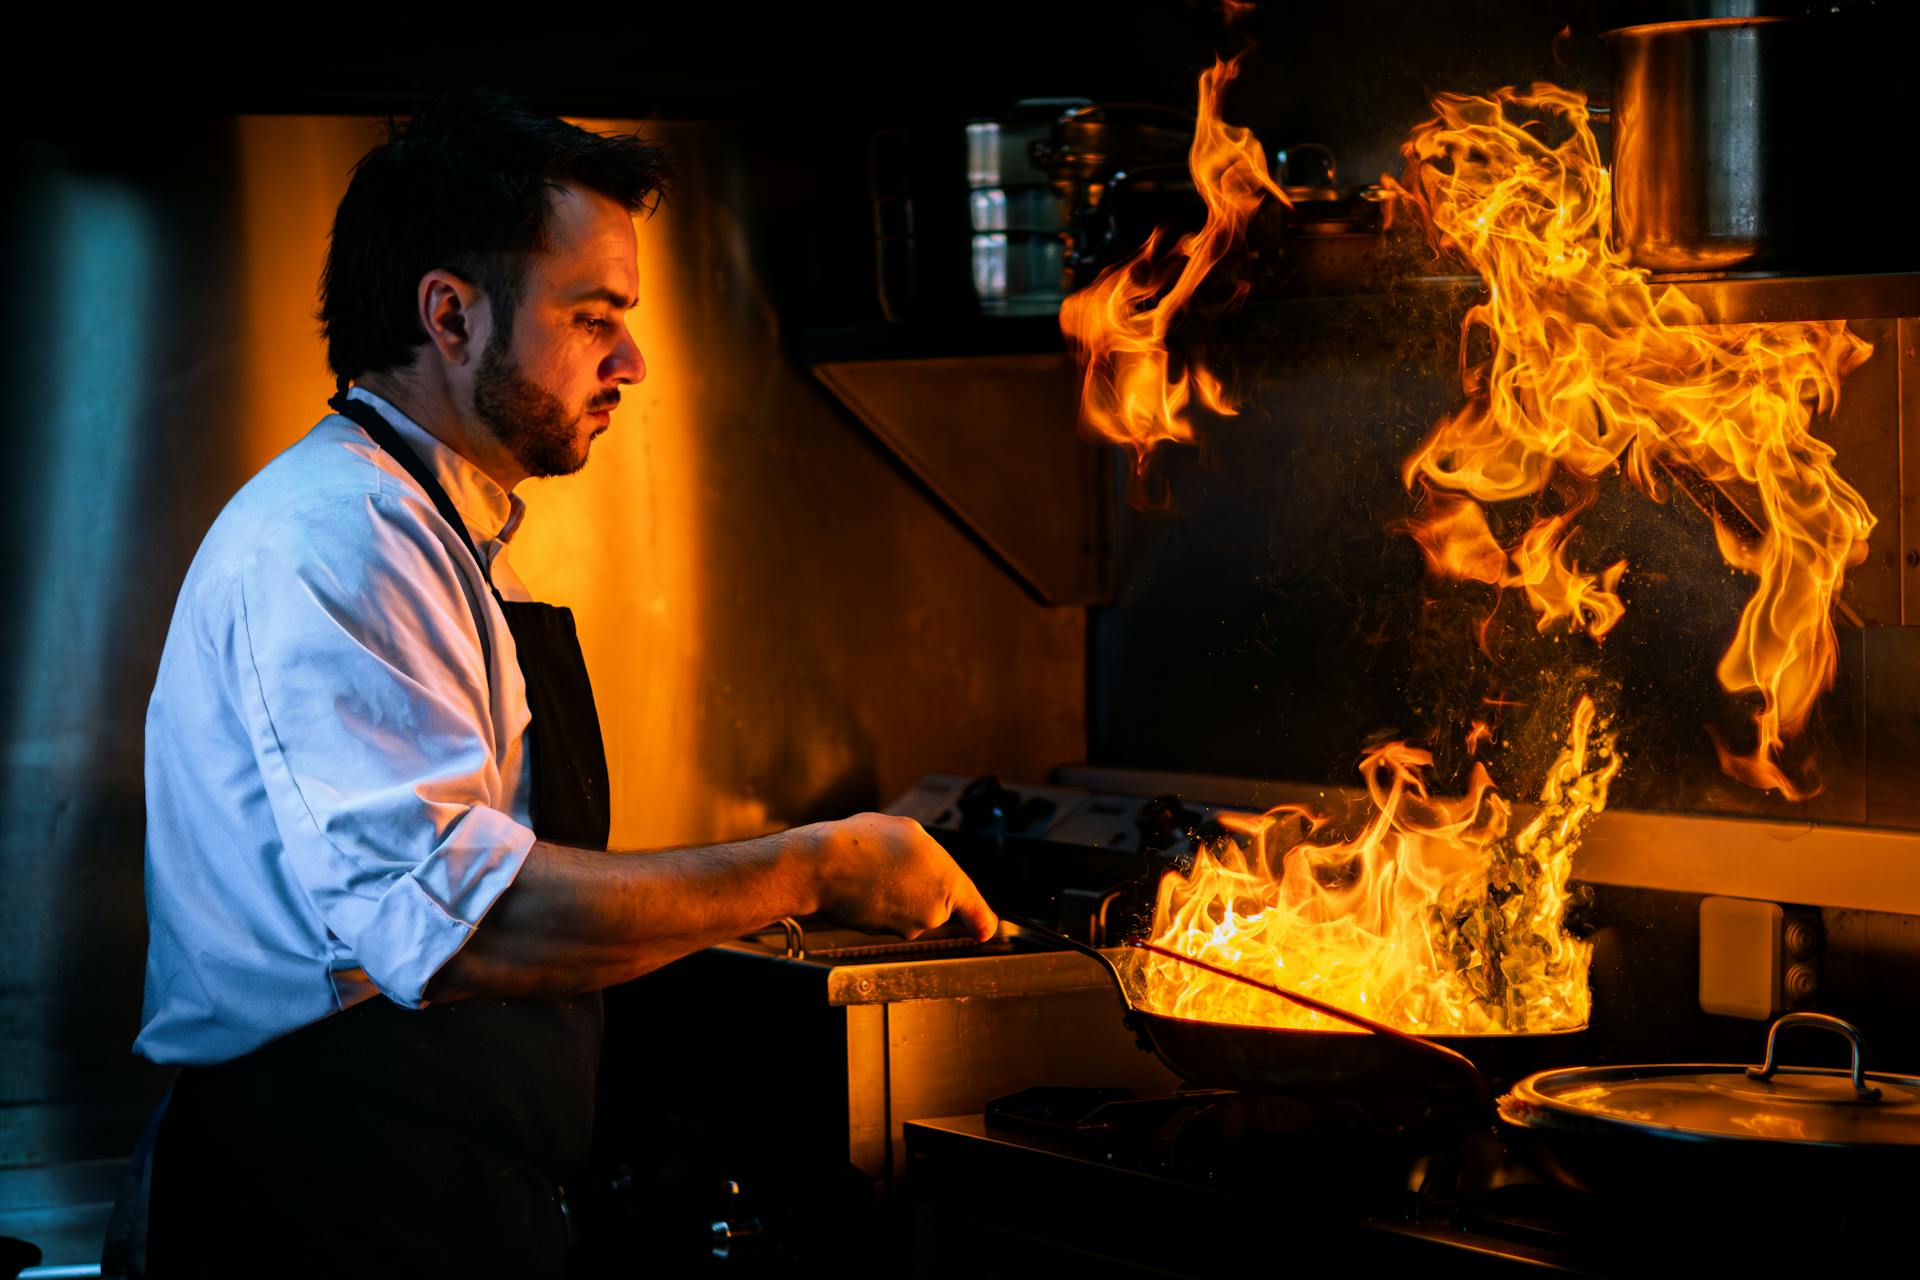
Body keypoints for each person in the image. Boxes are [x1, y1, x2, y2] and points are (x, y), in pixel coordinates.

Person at [123, 94, 994, 1277]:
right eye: (593, 317)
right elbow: (463, 921)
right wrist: (821, 865)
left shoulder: (441, 532)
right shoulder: (342, 535)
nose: (630, 361)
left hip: (442, 1189)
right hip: (321, 1210)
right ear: (451, 315)